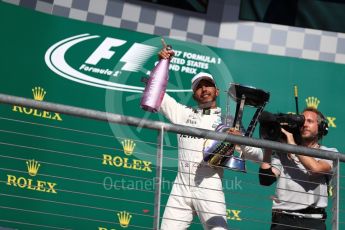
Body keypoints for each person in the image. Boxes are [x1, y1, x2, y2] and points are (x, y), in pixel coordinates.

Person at [157, 47, 263, 229]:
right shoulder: (182, 114)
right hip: (180, 186)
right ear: (194, 94)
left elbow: (259, 156)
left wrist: (242, 143)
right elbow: (156, 93)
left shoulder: (228, 122)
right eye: (198, 87)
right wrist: (162, 63)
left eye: (207, 85)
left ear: (217, 91)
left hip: (209, 185)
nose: (204, 89)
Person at [259, 107, 338, 230]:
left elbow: (315, 168)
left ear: (321, 127)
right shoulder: (284, 151)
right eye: (302, 122)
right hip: (283, 220)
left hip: (313, 221)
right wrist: (269, 146)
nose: (305, 125)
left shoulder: (328, 152)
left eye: (310, 121)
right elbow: (265, 180)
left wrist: (294, 147)